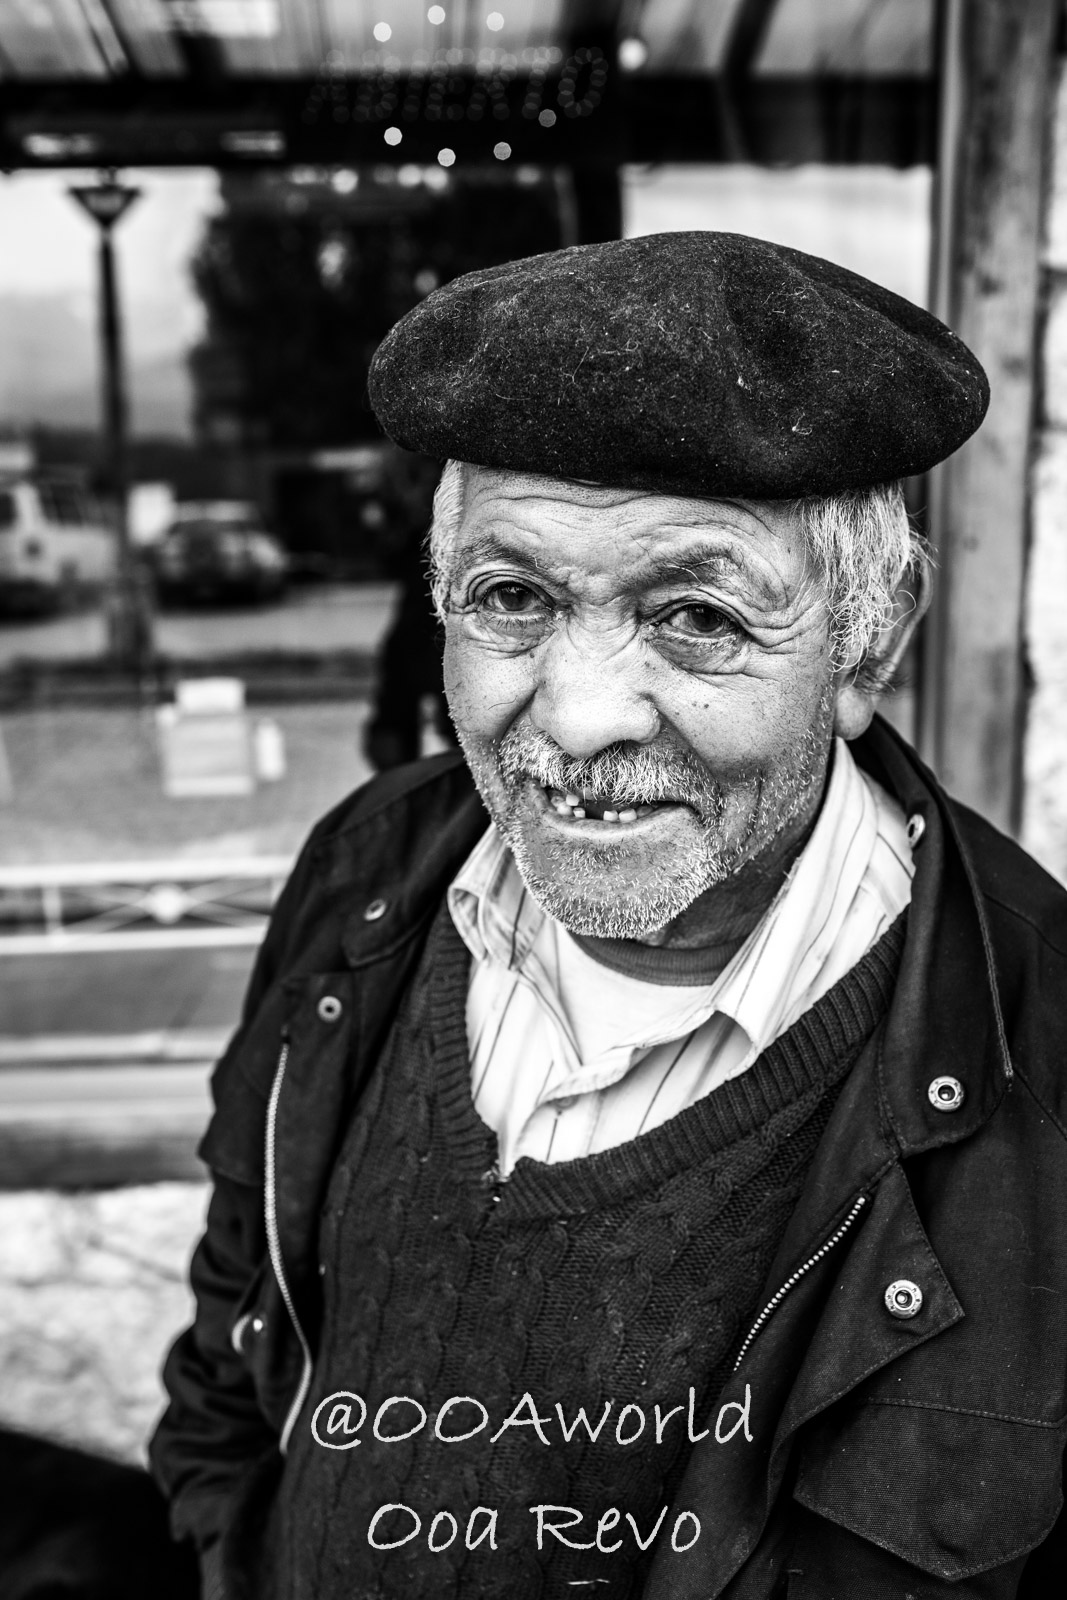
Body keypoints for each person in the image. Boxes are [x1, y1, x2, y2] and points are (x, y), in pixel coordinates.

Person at [150, 232, 1067, 1600]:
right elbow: (240, 1335)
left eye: (694, 615)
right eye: (510, 600)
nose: (576, 717)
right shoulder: (369, 869)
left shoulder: (1041, 1056)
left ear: (869, 643)